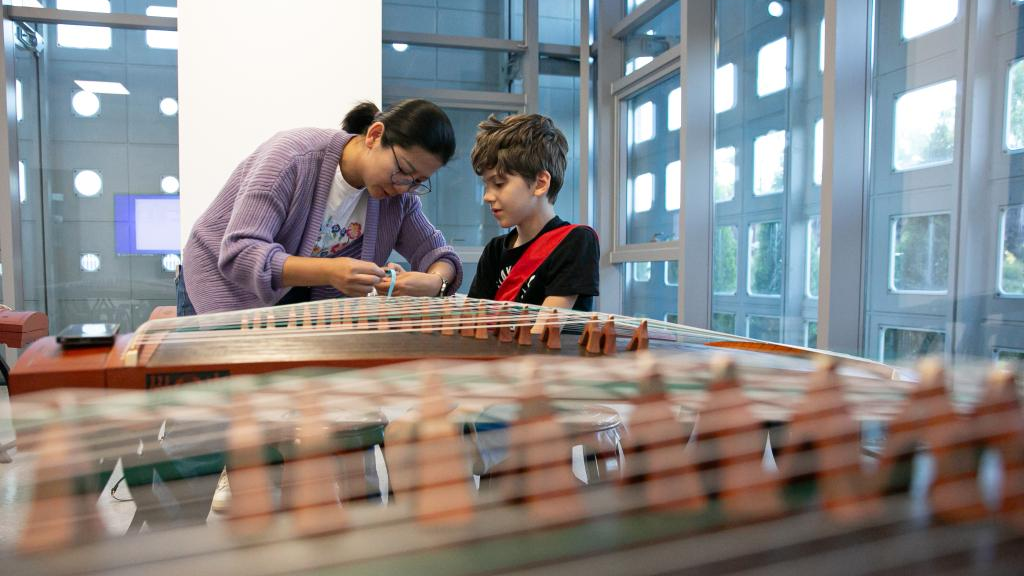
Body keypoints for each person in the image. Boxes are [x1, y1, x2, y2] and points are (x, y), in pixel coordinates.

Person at [177, 99, 462, 316]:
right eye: (402, 170)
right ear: (375, 136)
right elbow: (240, 252)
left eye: (418, 181)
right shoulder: (292, 157)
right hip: (221, 286)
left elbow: (438, 255)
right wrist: (330, 271)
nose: (403, 186)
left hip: (295, 303)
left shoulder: (398, 198)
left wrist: (433, 283)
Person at [467, 114, 599, 312]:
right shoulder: (494, 251)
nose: (487, 196)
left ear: (540, 183)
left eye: (499, 184)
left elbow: (544, 333)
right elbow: (473, 323)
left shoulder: (575, 242)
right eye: (486, 185)